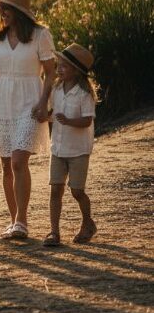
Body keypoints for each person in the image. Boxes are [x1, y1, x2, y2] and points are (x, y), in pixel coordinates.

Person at [0, 0, 56, 240]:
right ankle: (14, 221)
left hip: (30, 102)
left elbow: (51, 72)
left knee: (19, 161)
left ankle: (22, 221)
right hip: (2, 102)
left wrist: (45, 103)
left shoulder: (40, 35)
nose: (1, 11)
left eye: (6, 7)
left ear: (19, 11)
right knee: (6, 166)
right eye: (0, 7)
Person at [43, 43, 98, 247]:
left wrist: (68, 120)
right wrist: (44, 116)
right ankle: (54, 232)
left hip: (78, 151)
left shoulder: (84, 94)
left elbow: (86, 121)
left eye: (64, 66)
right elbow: (53, 114)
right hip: (57, 148)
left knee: (77, 191)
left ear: (76, 71)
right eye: (59, 65)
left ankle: (87, 222)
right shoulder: (56, 88)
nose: (59, 69)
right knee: (55, 189)